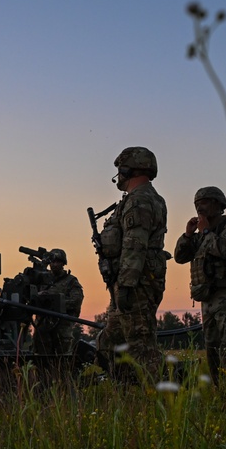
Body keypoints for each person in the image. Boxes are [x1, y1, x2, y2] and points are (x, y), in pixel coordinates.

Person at [95, 146, 169, 383]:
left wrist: (126, 285)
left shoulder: (140, 201)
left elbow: (134, 245)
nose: (119, 174)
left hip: (137, 284)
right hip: (132, 282)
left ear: (130, 169)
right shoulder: (139, 199)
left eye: (121, 169)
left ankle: (164, 400)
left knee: (141, 346)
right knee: (111, 343)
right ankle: (127, 391)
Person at [173, 186, 226, 402]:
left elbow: (224, 250)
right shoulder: (199, 236)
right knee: (213, 352)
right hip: (207, 301)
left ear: (218, 204)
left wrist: (206, 232)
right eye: (197, 202)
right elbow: (179, 256)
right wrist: (188, 235)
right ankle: (224, 396)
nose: (200, 206)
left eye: (205, 201)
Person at [32, 248, 84, 356]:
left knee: (62, 358)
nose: (54, 265)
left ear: (63, 263)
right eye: (52, 262)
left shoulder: (70, 281)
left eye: (58, 262)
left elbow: (76, 301)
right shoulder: (42, 279)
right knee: (41, 358)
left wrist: (56, 302)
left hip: (62, 326)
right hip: (43, 325)